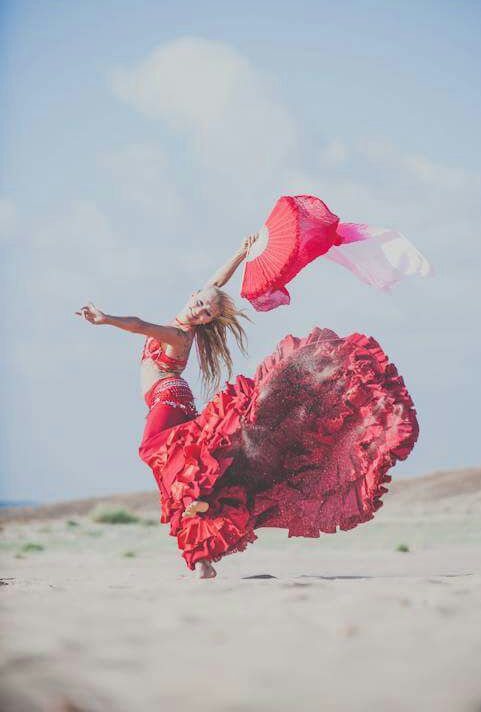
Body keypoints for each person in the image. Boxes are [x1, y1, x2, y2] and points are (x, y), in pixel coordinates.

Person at [78, 234, 419, 579]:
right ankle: (202, 557)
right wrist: (241, 253)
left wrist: (105, 319)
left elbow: (138, 325)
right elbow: (215, 282)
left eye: (207, 313)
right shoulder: (190, 310)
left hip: (167, 398)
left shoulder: (179, 334)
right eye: (202, 304)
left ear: (204, 319)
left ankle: (199, 498)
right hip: (173, 398)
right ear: (194, 297)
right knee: (184, 467)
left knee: (156, 451)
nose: (201, 310)